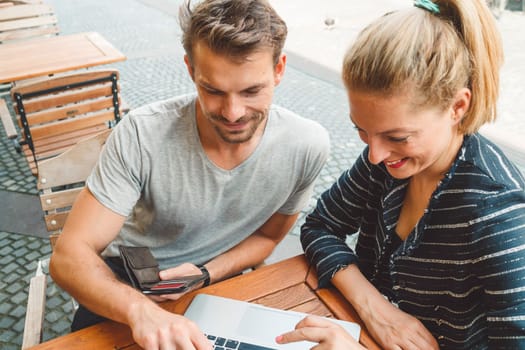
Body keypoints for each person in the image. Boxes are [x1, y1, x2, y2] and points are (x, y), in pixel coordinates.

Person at [49, 0, 330, 348]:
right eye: (213, 90)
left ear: (279, 69)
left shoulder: (307, 145)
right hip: (129, 285)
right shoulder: (142, 134)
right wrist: (140, 310)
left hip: (219, 281)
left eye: (251, 91)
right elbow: (67, 257)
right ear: (189, 69)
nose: (233, 112)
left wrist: (207, 273)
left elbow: (269, 239)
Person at [276, 0, 525, 349]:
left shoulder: (500, 216)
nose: (375, 155)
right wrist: (374, 308)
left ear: (458, 106)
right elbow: (321, 226)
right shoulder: (389, 159)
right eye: (362, 130)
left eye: (398, 137)